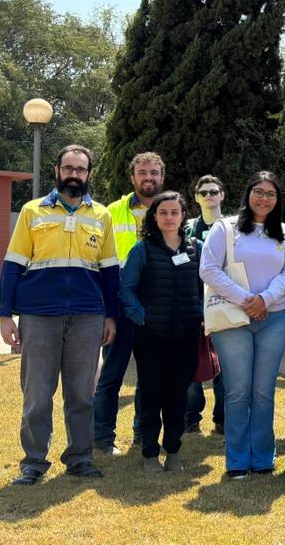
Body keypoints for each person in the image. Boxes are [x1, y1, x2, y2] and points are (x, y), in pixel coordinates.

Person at [0, 144, 119, 485]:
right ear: (57, 171)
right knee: (37, 393)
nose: (74, 175)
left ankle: (80, 458)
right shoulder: (31, 212)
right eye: (69, 168)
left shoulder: (102, 216)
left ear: (89, 174)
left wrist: (111, 316)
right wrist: (5, 314)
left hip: (87, 316)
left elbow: (110, 271)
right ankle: (34, 462)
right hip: (39, 316)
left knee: (81, 394)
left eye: (81, 170)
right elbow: (12, 265)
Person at [200, 171, 285, 479]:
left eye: (271, 194)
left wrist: (265, 300)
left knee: (264, 391)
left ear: (278, 200)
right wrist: (248, 300)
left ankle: (263, 458)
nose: (264, 198)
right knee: (238, 391)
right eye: (259, 191)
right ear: (248, 193)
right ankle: (237, 460)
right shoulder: (225, 228)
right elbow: (209, 269)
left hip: (274, 318)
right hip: (234, 318)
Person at [121, 191, 203, 474]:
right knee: (151, 396)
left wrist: (203, 316)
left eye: (174, 212)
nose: (169, 218)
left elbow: (208, 286)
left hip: (187, 336)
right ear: (153, 217)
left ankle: (174, 450)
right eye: (163, 212)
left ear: (183, 216)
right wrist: (142, 317)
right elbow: (126, 289)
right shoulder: (142, 250)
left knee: (177, 397)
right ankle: (149, 454)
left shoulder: (197, 248)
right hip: (151, 338)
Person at [94, 152, 165, 455]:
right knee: (112, 374)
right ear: (132, 177)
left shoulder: (170, 211)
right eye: (142, 172)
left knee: (150, 377)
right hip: (120, 307)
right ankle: (102, 438)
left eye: (154, 172)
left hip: (156, 309)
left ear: (162, 177)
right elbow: (98, 264)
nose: (148, 177)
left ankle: (142, 434)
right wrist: (105, 311)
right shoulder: (110, 212)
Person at [184, 175, 226, 436]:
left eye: (214, 192)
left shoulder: (234, 227)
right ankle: (191, 418)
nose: (209, 196)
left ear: (222, 195)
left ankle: (222, 420)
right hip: (192, 305)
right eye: (204, 193)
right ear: (196, 198)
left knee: (225, 364)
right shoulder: (187, 228)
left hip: (224, 303)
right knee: (191, 365)